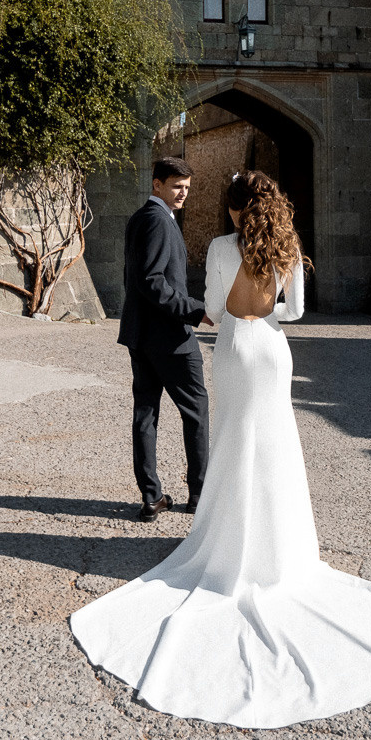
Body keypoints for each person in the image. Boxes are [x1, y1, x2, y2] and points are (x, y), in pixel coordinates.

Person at [71, 169, 371, 728]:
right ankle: (280, 555)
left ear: (234, 210)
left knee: (233, 442)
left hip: (234, 348)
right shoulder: (288, 247)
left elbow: (212, 304)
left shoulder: (218, 246)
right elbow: (296, 311)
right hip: (273, 351)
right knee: (277, 449)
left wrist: (235, 310)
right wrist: (268, 311)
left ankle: (225, 545)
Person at [118, 156, 210, 522]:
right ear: (156, 184)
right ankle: (200, 496)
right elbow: (151, 280)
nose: (183, 193)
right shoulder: (157, 220)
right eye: (176, 186)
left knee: (146, 414)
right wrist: (194, 310)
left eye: (187, 187)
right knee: (196, 413)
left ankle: (151, 497)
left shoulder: (143, 217)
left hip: (141, 335)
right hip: (169, 338)